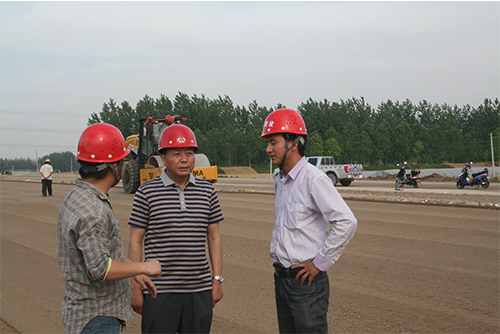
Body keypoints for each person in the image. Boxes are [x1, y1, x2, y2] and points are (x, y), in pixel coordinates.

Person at [57, 123, 162, 334]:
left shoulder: (77, 197)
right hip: (97, 317)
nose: (125, 165)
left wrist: (131, 270)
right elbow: (100, 268)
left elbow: (103, 254)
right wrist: (143, 267)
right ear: (114, 166)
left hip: (87, 315)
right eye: (122, 160)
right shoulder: (93, 212)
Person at [260, 108, 358, 334]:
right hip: (282, 279)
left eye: (273, 142)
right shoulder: (280, 180)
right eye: (267, 143)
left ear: (293, 142)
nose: (268, 149)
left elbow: (346, 222)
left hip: (306, 284)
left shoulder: (314, 179)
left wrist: (319, 263)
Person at [128, 123, 224, 334]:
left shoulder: (207, 191)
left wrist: (216, 280)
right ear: (163, 159)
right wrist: (135, 287)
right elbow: (135, 240)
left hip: (199, 290)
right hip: (158, 291)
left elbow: (214, 238)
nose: (184, 159)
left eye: (189, 153)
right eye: (177, 154)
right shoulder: (146, 193)